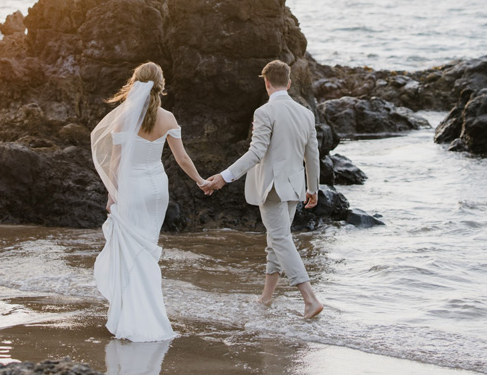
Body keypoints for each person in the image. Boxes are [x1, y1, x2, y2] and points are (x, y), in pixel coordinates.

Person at [91, 61, 209, 342]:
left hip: (131, 187)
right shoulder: (168, 118)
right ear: (160, 85)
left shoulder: (123, 118)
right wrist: (200, 180)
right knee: (147, 247)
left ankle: (132, 314)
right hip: (156, 188)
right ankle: (151, 313)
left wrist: (112, 194)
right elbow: (181, 158)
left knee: (133, 249)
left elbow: (116, 161)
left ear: (135, 83)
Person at [201, 60, 324, 319]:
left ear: (266, 83)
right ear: (289, 83)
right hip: (295, 188)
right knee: (276, 240)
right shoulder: (306, 114)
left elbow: (256, 152)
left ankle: (310, 299)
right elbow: (312, 155)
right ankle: (266, 298)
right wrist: (313, 188)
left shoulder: (264, 112)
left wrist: (225, 176)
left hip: (272, 188)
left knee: (280, 239)